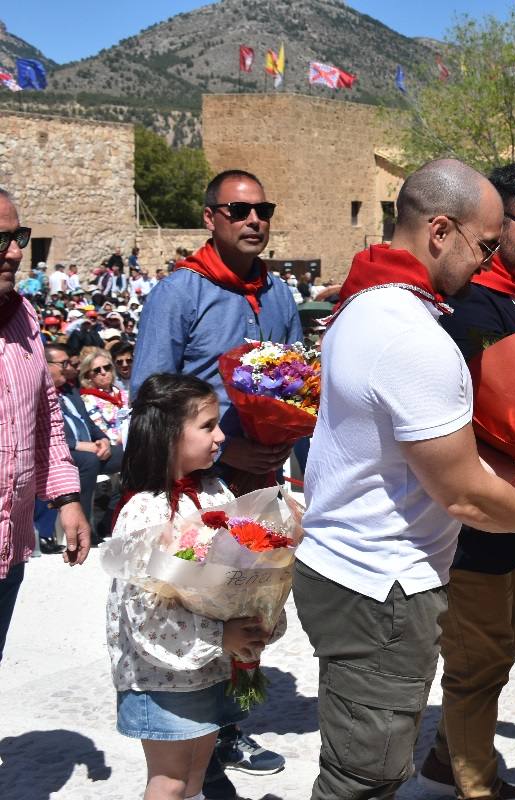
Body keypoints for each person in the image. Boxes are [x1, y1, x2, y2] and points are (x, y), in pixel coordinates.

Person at [294, 158, 515, 800]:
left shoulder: (364, 300)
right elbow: (462, 493)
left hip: (347, 569)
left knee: (365, 764)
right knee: (362, 780)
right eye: (483, 245)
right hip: (381, 585)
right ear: (440, 231)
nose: (487, 262)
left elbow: (427, 454)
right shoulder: (414, 338)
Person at [130, 169, 297, 797]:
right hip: (200, 486)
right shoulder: (180, 293)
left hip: (261, 477)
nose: (254, 220)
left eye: (263, 209)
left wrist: (279, 441)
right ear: (211, 218)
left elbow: (292, 377)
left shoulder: (278, 295)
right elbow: (150, 397)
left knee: (256, 607)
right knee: (197, 608)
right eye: (239, 211)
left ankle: (236, 721)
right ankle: (202, 728)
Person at [419, 162, 515, 800]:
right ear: (498, 224)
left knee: (506, 646)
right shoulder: (464, 305)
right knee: (476, 666)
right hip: (476, 524)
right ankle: (474, 786)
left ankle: (445, 755)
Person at [108, 373, 284, 800]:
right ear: (167, 434)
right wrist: (218, 634)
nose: (221, 436)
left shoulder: (214, 491)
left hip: (210, 666)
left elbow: (241, 566)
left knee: (197, 773)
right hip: (165, 673)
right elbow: (142, 610)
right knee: (169, 779)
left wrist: (259, 607)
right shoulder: (145, 511)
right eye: (207, 426)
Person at [0, 188, 91, 662]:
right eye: (1, 240)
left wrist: (66, 497)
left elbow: (47, 417)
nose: (15, 252)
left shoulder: (25, 317)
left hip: (8, 549)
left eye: (18, 236)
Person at [47, 343, 122, 541]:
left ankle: (118, 519)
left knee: (131, 454)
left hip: (91, 448)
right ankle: (84, 527)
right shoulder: (39, 395)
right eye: (63, 363)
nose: (69, 367)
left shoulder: (70, 391)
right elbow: (46, 434)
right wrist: (80, 446)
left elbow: (88, 423)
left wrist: (103, 439)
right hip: (61, 451)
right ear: (47, 366)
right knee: (89, 461)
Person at [79, 349, 127, 446]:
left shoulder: (121, 393)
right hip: (116, 447)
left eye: (107, 367)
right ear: (88, 375)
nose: (103, 372)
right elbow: (101, 430)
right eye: (97, 370)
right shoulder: (88, 399)